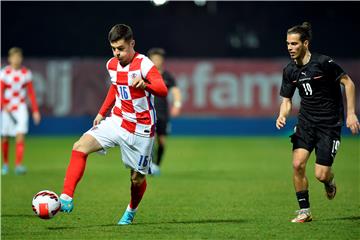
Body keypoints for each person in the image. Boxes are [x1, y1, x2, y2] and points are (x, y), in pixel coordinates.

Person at [59, 24, 168, 225]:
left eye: (121, 48)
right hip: (117, 121)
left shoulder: (144, 64)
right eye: (113, 49)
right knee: (80, 147)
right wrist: (102, 112)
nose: (117, 53)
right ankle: (66, 196)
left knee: (137, 179)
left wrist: (146, 85)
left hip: (141, 130)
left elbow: (162, 89)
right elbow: (115, 88)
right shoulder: (111, 65)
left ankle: (131, 210)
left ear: (132, 44)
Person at [276, 22, 359, 223]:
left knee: (321, 174)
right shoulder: (289, 71)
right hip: (305, 123)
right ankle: (304, 211)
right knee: (297, 164)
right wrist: (282, 115)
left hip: (328, 125)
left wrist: (350, 114)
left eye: (294, 44)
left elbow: (348, 83)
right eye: (288, 44)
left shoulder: (324, 63)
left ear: (305, 43)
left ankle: (329, 181)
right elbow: (286, 100)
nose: (290, 48)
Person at [0, 47, 41, 175]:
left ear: (21, 58)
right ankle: (5, 164)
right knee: (5, 137)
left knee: (20, 134)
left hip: (21, 107)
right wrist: (3, 104)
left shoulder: (25, 73)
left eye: (18, 57)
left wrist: (35, 110)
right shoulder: (4, 73)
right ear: (10, 59)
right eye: (14, 57)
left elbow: (31, 93)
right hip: (7, 108)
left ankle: (18, 165)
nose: (16, 59)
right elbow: (0, 91)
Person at [147, 48, 182, 176]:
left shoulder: (167, 76)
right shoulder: (145, 74)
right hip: (148, 113)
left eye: (159, 59)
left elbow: (176, 91)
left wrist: (177, 104)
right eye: (154, 59)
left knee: (162, 142)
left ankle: (156, 165)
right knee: (149, 140)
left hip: (163, 114)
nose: (157, 61)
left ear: (162, 60)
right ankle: (148, 165)